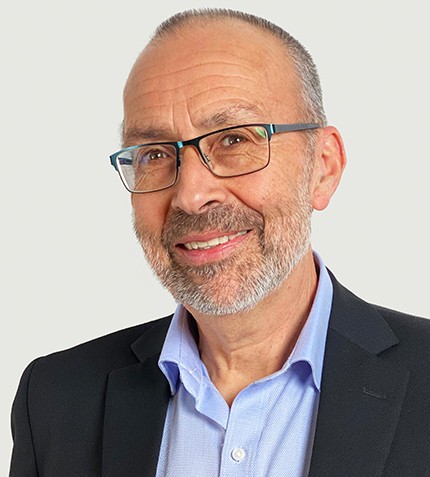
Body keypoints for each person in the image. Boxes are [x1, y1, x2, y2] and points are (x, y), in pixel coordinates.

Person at [9, 8, 430, 477]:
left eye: (233, 140)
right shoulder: (55, 400)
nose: (191, 196)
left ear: (323, 167)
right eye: (154, 153)